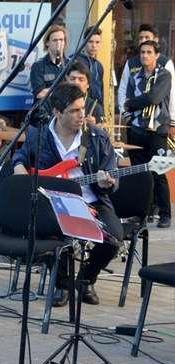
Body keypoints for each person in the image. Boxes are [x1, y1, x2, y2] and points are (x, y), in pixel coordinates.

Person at [13, 84, 121, 306]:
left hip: (92, 201)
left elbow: (112, 176)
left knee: (114, 239)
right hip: (54, 202)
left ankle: (86, 279)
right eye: (74, 110)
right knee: (51, 232)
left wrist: (106, 183)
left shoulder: (97, 137)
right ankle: (62, 284)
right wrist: (19, 168)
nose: (81, 115)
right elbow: (20, 157)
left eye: (82, 109)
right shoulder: (39, 134)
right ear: (57, 112)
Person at [123, 39, 173, 229]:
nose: (145, 55)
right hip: (136, 128)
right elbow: (127, 98)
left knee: (159, 172)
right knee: (139, 174)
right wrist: (130, 104)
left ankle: (165, 214)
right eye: (142, 52)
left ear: (156, 55)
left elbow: (154, 97)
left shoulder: (164, 75)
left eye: (149, 52)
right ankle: (141, 214)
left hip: (157, 130)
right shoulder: (134, 76)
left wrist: (132, 104)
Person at [117, 24, 175, 130]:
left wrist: (173, 121)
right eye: (140, 38)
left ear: (156, 40)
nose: (143, 40)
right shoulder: (131, 62)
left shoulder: (166, 63)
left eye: (147, 37)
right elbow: (123, 89)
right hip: (135, 122)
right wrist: (125, 113)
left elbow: (172, 94)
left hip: (158, 124)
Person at [30, 24, 68, 101]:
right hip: (45, 107)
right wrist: (65, 92)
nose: (58, 43)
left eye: (61, 40)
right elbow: (40, 93)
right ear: (47, 43)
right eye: (55, 40)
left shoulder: (72, 64)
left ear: (65, 42)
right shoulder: (38, 66)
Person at [65, 60, 104, 124]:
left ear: (88, 84)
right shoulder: (59, 103)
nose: (76, 82)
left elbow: (102, 128)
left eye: (81, 79)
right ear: (67, 81)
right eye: (72, 79)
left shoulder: (95, 108)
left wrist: (94, 126)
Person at [76, 26, 105, 107]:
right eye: (90, 41)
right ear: (84, 42)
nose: (94, 45)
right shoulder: (76, 62)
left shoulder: (99, 66)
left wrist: (102, 110)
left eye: (97, 42)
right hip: (81, 106)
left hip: (96, 108)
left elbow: (101, 92)